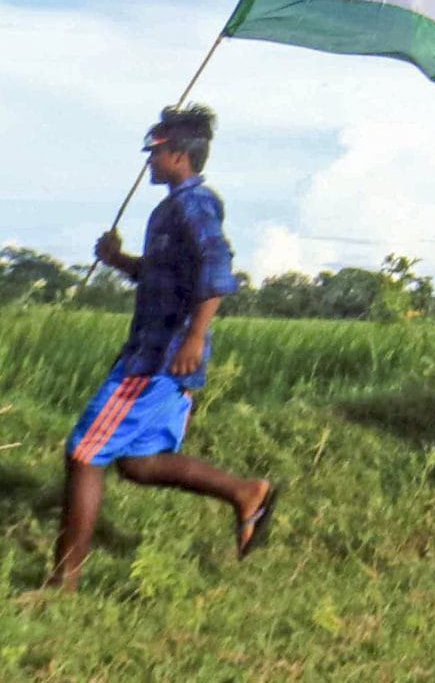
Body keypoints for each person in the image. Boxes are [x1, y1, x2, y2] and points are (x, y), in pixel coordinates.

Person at [48, 106, 274, 592]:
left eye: (154, 152)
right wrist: (118, 260)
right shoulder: (170, 208)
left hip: (158, 358)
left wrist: (194, 337)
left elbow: (216, 269)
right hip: (159, 355)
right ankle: (245, 492)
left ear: (179, 156)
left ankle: (62, 584)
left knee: (84, 454)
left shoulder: (194, 204)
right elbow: (162, 276)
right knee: (139, 462)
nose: (148, 162)